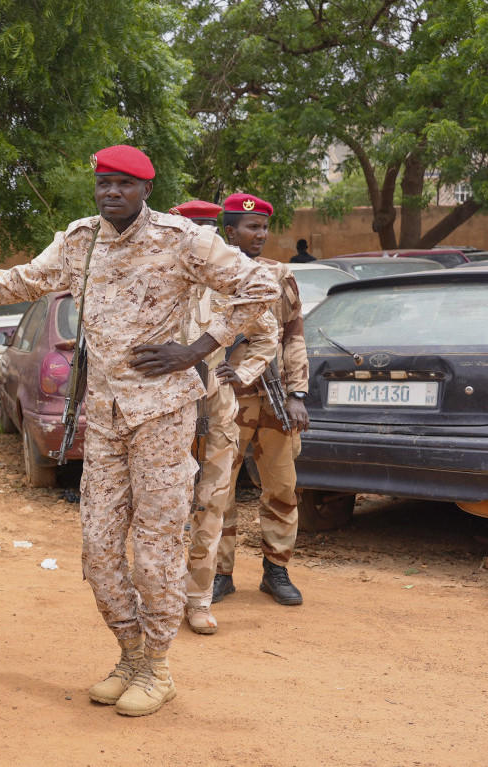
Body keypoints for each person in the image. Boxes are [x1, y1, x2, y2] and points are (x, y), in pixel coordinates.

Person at [0, 145, 279, 717]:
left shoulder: (184, 239)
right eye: (104, 184)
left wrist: (196, 349)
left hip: (162, 413)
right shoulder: (81, 241)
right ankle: (129, 656)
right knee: (99, 552)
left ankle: (158, 669)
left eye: (124, 185)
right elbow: (27, 278)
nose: (112, 194)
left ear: (145, 190)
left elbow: (261, 289)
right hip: (103, 417)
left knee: (156, 551)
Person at [176, 200, 280, 635]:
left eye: (208, 231)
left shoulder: (233, 280)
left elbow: (267, 335)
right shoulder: (162, 277)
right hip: (168, 409)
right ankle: (160, 595)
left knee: (214, 500)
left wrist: (240, 373)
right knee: (163, 505)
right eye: (194, 230)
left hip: (218, 409)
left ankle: (198, 599)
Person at [212, 193, 310, 608]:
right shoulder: (209, 273)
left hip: (273, 401)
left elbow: (293, 337)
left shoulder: (280, 274)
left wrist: (298, 394)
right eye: (252, 228)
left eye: (265, 228)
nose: (261, 235)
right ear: (229, 231)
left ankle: (276, 570)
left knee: (282, 488)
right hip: (224, 401)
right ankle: (219, 573)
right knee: (217, 490)